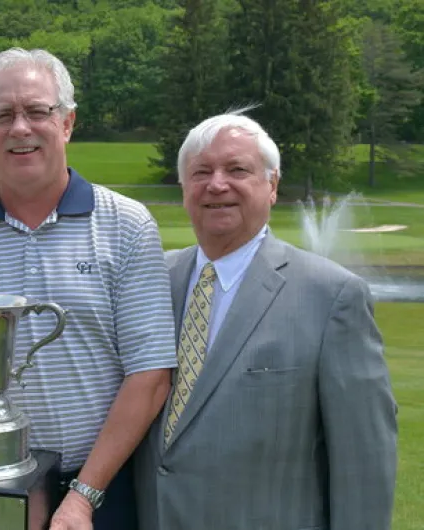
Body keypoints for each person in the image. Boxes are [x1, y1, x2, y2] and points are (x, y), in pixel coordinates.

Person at [0, 48, 178, 530]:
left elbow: (149, 376)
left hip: (94, 493)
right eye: (3, 115)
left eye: (37, 111)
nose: (20, 128)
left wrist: (81, 498)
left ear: (67, 122)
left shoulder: (127, 226)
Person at [134, 110, 398, 529]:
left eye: (237, 169)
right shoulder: (150, 282)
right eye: (201, 171)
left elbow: (363, 463)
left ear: (272, 185)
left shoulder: (331, 296)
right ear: (184, 187)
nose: (216, 183)